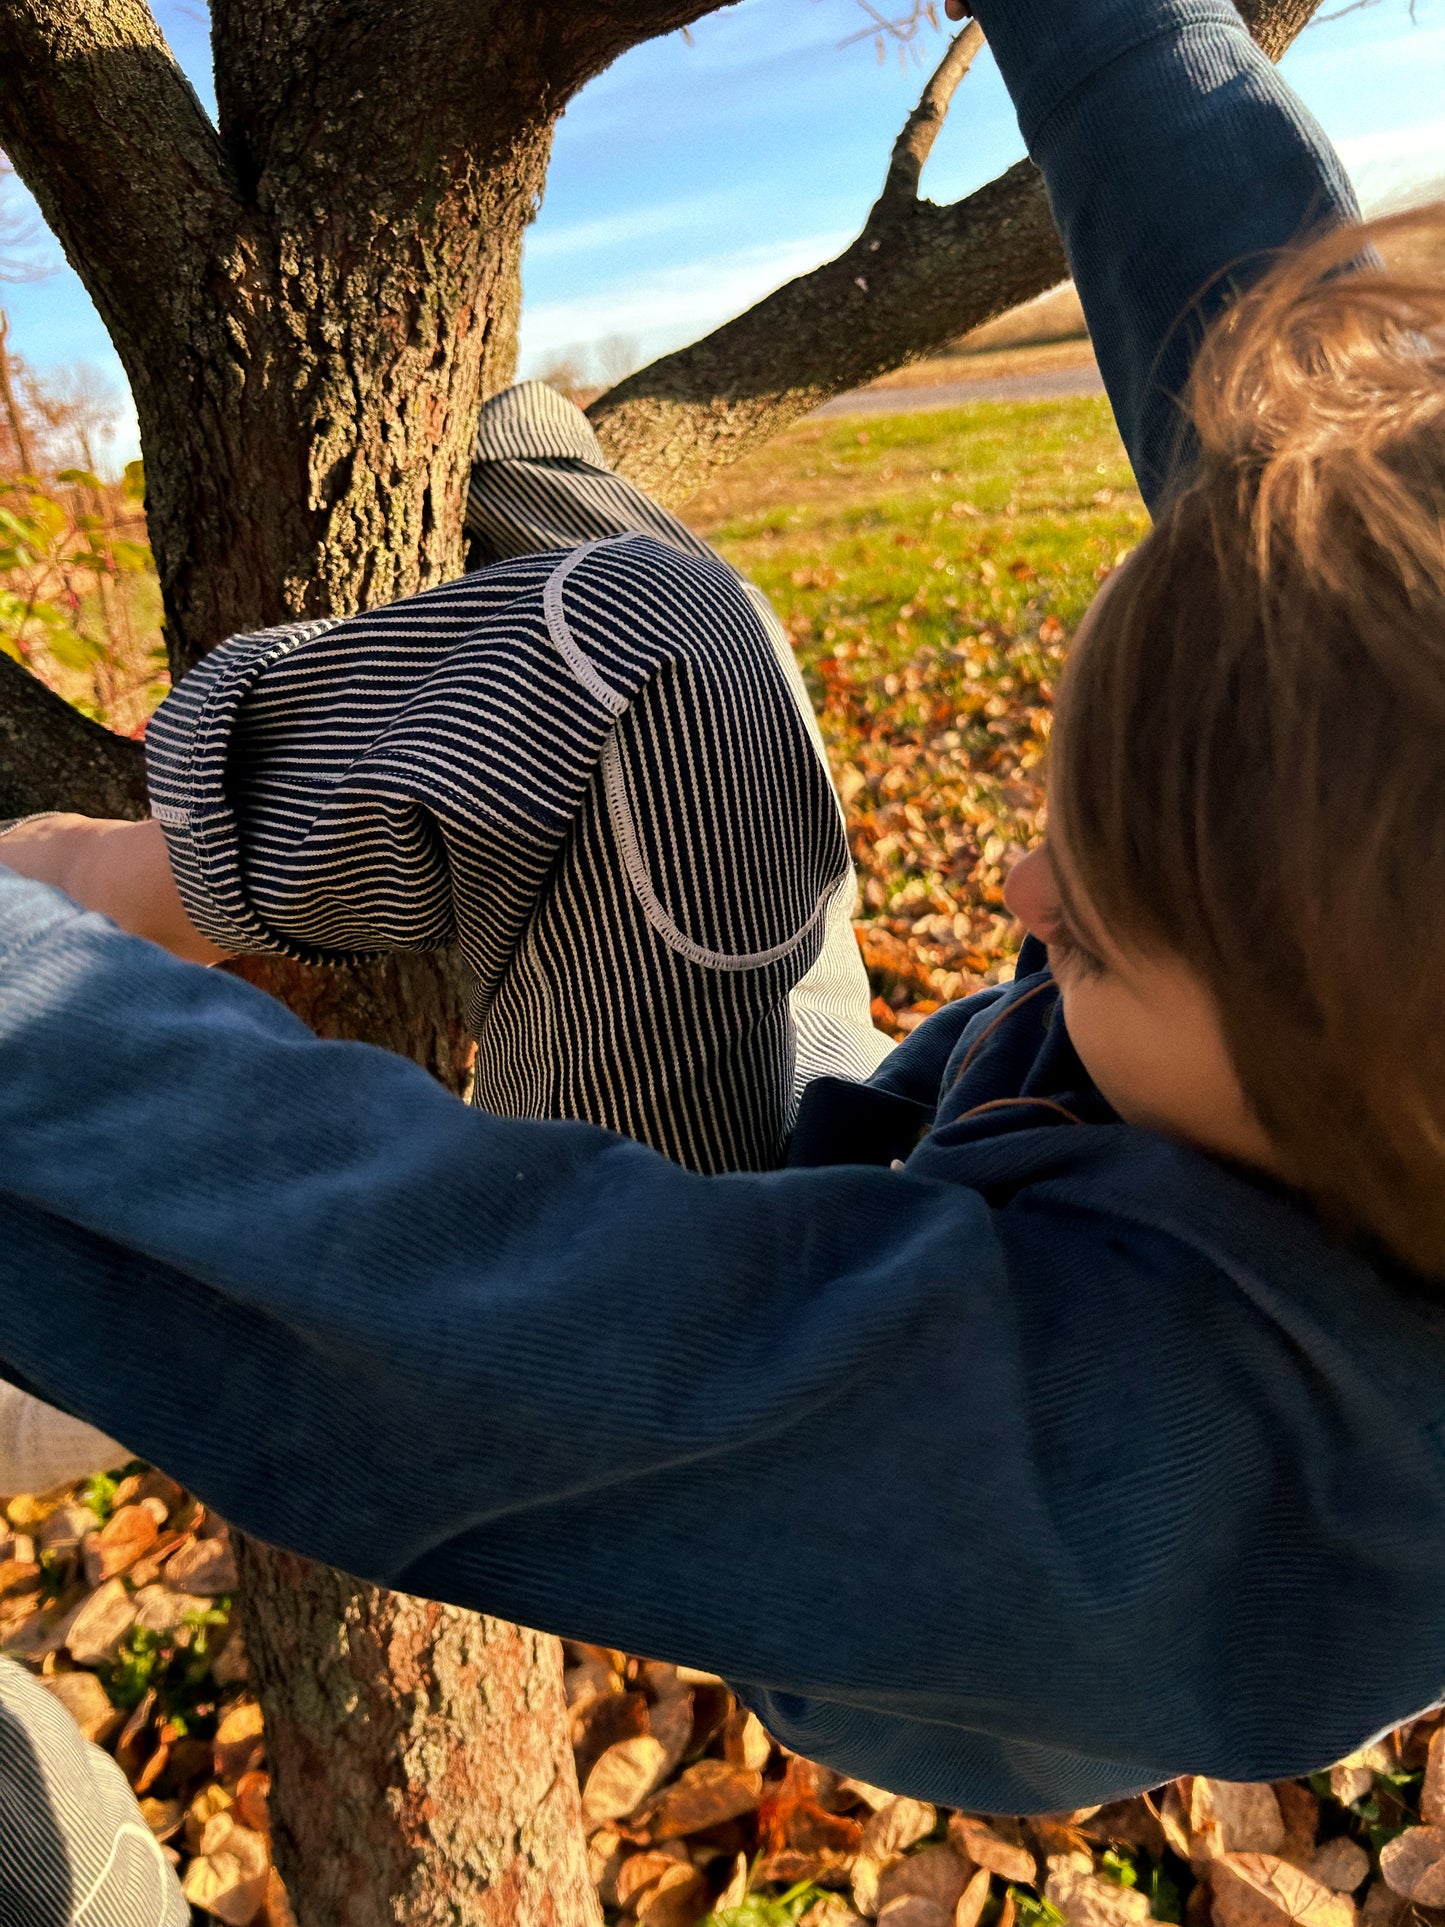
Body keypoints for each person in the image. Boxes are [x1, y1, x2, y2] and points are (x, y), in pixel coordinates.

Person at [3, 0, 1442, 1843]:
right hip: (905, 1158)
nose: (1012, 893)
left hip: (870, 1512)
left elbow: (460, 1320)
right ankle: (531, 494)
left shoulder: (1165, 1477)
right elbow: (1264, 330)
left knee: (636, 663)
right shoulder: (1382, 862)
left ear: (1344, 1094)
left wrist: (43, 995)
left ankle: (132, 913)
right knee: (614, 569)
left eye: (1084, 930)